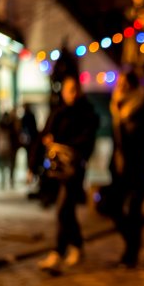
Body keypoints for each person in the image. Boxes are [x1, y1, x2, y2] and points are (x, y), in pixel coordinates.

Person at [34, 74, 99, 273]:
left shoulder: (87, 113)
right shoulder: (58, 112)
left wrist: (69, 148)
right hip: (56, 168)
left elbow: (87, 140)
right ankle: (77, 246)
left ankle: (57, 252)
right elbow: (44, 134)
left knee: (63, 208)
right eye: (69, 90)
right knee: (67, 210)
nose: (72, 94)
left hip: (73, 169)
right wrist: (34, 163)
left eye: (75, 90)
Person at [109, 69, 144, 268]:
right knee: (111, 205)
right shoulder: (116, 104)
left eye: (124, 82)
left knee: (135, 210)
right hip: (120, 164)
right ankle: (130, 243)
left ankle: (131, 253)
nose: (120, 86)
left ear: (132, 84)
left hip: (140, 162)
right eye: (119, 82)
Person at [0, 109, 21, 189]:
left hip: (6, 147)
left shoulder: (2, 125)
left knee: (4, 165)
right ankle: (9, 180)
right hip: (9, 147)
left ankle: (5, 181)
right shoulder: (11, 125)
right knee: (9, 165)